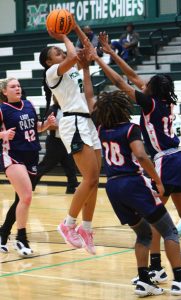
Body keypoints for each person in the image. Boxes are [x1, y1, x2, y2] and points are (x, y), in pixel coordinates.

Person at [83, 33, 181, 283]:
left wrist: (98, 58)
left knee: (155, 215)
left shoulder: (149, 104)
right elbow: (133, 76)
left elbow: (121, 81)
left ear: (151, 90)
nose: (143, 83)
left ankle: (157, 267)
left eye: (147, 83)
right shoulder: (167, 100)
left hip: (166, 161)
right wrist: (112, 51)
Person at [38, 19, 102, 255]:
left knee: (95, 180)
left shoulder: (72, 68)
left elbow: (87, 54)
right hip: (72, 122)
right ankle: (68, 224)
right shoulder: (52, 73)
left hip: (86, 119)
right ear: (49, 61)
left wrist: (76, 28)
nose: (61, 51)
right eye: (56, 51)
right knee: (89, 176)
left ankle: (86, 228)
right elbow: (74, 54)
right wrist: (64, 35)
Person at [0, 77, 56, 257]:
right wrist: (3, 134)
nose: (17, 88)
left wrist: (46, 125)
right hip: (12, 156)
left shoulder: (29, 104)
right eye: (12, 86)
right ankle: (21, 238)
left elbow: (36, 127)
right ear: (4, 91)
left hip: (31, 155)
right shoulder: (2, 110)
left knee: (21, 200)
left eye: (18, 85)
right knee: (26, 197)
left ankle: (3, 234)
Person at [32, 96, 79, 194]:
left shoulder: (69, 109)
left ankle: (72, 188)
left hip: (66, 142)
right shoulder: (52, 109)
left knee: (70, 166)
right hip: (54, 142)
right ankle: (30, 184)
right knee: (46, 166)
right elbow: (48, 126)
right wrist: (62, 127)